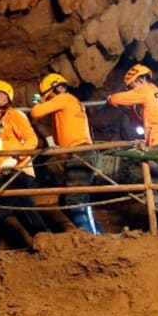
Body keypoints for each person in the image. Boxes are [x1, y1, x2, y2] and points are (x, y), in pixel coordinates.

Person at [106, 65, 158, 228]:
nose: (131, 90)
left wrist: (110, 99)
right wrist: (130, 112)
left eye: (131, 86)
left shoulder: (145, 90)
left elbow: (116, 99)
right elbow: (145, 121)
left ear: (141, 79)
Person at [0, 79, 49, 248]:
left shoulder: (14, 115)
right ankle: (47, 241)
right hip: (8, 170)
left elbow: (32, 140)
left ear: (3, 97)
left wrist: (16, 157)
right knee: (23, 209)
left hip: (17, 171)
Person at [30, 73, 100, 234]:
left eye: (49, 96)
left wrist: (38, 103)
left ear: (55, 89)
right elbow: (57, 135)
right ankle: (96, 234)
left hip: (79, 153)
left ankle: (94, 237)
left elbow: (35, 113)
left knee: (74, 200)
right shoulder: (70, 101)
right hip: (80, 152)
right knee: (69, 200)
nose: (49, 100)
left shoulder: (63, 98)